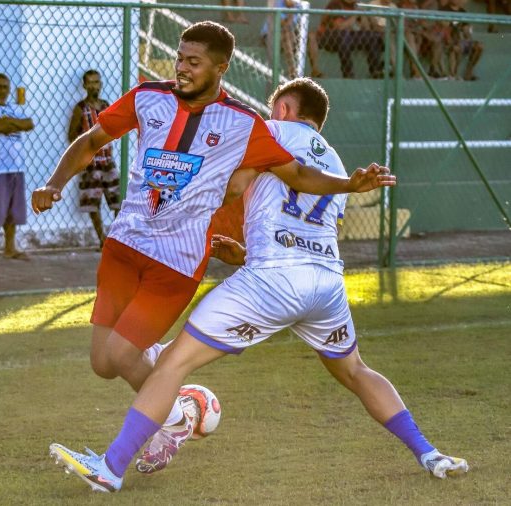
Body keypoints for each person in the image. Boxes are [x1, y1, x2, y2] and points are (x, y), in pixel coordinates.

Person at [48, 78, 466, 493]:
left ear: (284, 109)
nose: (268, 114)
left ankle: (113, 467)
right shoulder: (337, 164)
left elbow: (233, 186)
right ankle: (430, 453)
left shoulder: (269, 132)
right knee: (356, 370)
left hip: (270, 281)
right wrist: (244, 252)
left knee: (173, 364)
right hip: (325, 285)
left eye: (273, 107)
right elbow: (303, 230)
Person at [33, 21, 394, 481]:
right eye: (180, 58)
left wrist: (349, 183)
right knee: (103, 364)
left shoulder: (244, 124)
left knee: (125, 354)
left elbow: (299, 177)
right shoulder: (147, 97)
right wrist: (54, 183)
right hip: (124, 247)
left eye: (193, 62)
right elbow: (91, 141)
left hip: (177, 263)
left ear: (221, 68)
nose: (182, 68)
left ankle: (167, 423)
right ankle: (181, 409)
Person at [0, 73, 35, 262]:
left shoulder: (11, 108)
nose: (2, 91)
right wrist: (14, 124)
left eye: (5, 87)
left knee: (13, 210)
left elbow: (29, 123)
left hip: (16, 167)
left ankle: (10, 248)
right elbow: (0, 127)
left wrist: (9, 122)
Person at [68, 70, 121, 248]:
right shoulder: (81, 109)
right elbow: (72, 134)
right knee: (93, 202)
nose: (93, 86)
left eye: (96, 82)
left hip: (107, 160)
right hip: (91, 162)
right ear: (84, 86)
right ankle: (102, 240)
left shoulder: (106, 105)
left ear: (101, 84)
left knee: (117, 199)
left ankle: (116, 238)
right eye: (90, 83)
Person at [307, 0, 385, 79]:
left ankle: (376, 70)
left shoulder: (356, 6)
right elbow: (339, 27)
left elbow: (366, 29)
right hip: (329, 38)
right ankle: (348, 73)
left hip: (349, 38)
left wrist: (363, 15)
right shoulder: (335, 4)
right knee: (344, 34)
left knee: (371, 36)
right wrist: (355, 15)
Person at [440, 0, 483, 80]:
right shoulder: (444, 10)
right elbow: (444, 27)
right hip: (448, 40)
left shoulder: (463, 12)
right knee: (457, 47)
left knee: (479, 46)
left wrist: (468, 36)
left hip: (460, 41)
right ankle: (453, 74)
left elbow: (466, 31)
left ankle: (469, 71)